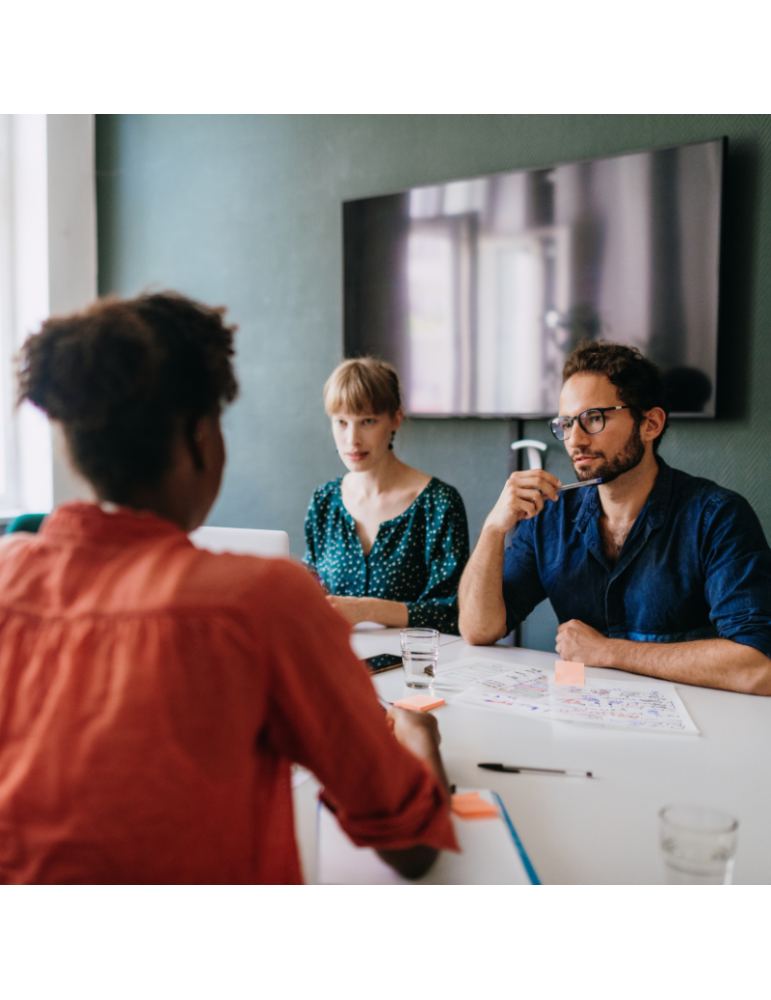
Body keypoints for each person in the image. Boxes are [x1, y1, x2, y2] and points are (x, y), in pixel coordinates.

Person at [0, 293, 457, 884]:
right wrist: (420, 736)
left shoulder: (8, 573)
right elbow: (411, 842)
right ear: (200, 436)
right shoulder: (262, 602)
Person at [458, 341, 771, 695]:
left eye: (594, 418)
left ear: (650, 423)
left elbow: (757, 666)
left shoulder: (717, 517)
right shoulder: (551, 516)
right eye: (565, 423)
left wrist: (608, 651)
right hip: (581, 715)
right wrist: (493, 528)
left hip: (692, 730)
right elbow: (478, 629)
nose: (574, 440)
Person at [304, 358, 469, 633]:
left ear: (395, 420)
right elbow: (314, 584)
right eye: (341, 422)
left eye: (367, 421)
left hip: (415, 666)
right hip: (338, 658)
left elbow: (452, 612)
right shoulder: (324, 501)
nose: (352, 439)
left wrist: (366, 610)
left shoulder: (438, 503)